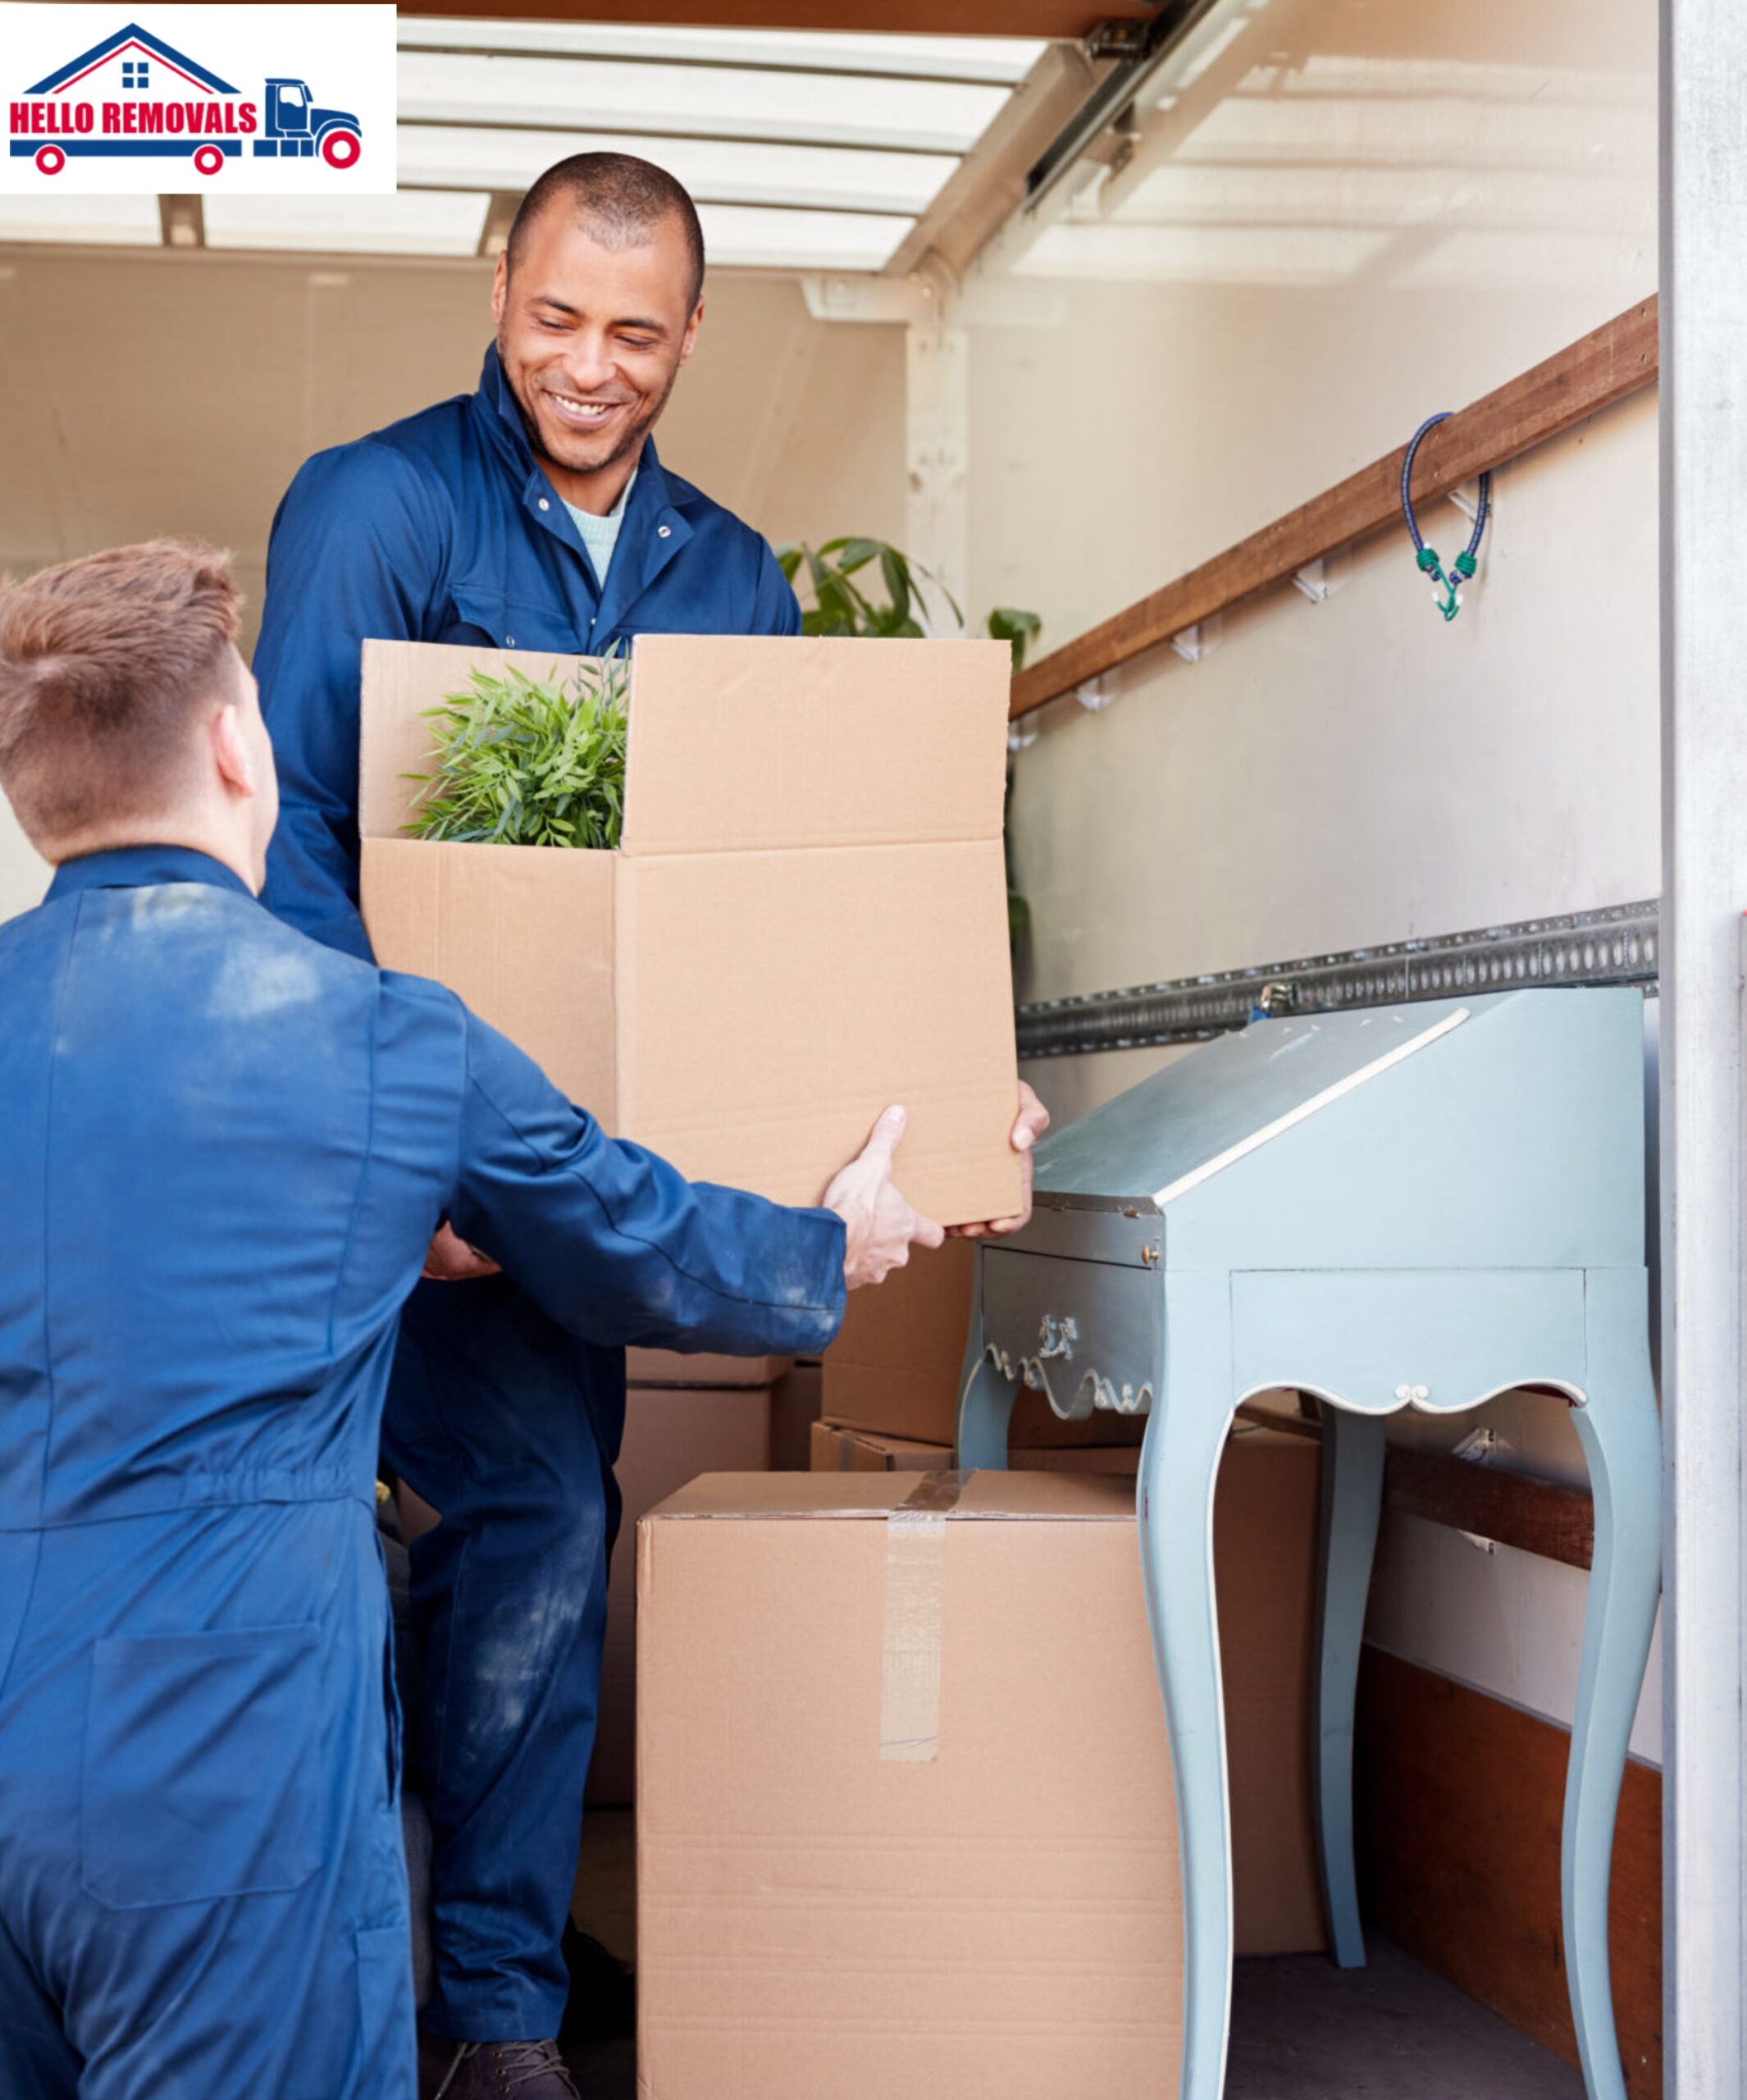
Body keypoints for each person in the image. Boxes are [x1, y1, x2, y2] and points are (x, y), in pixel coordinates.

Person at [251, 150, 1047, 2095]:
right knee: (295, 1550)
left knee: (533, 1527)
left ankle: (499, 2020)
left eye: (631, 332)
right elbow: (281, 842)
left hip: (567, 1180)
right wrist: (400, 1154)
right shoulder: (375, 505)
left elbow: (758, 901)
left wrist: (935, 1069)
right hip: (362, 1162)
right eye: (551, 320)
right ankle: (337, 1996)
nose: (585, 368)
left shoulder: (734, 578)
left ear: (691, 335)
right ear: (493, 290)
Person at [0, 541, 941, 2100]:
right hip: (219, 1752)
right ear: (236, 746)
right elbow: (637, 1245)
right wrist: (835, 1240)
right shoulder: (379, 1037)